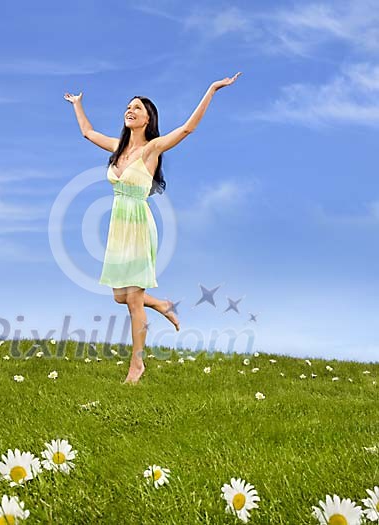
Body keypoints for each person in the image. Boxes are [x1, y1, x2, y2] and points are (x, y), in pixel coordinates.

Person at [64, 72, 242, 384]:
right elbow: (87, 132)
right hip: (117, 226)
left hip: (137, 224)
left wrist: (212, 89)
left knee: (133, 299)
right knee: (120, 296)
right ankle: (161, 304)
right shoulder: (118, 149)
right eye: (128, 107)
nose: (130, 110)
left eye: (137, 108)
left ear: (148, 119)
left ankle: (137, 365)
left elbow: (188, 128)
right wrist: (78, 104)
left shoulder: (152, 149)